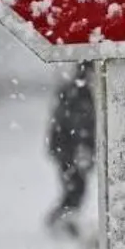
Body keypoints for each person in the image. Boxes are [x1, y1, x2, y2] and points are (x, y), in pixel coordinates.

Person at [46, 62, 97, 235]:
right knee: (75, 188)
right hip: (69, 149)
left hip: (68, 149)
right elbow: (79, 124)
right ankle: (61, 222)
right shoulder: (79, 93)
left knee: (75, 188)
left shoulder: (77, 91)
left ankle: (63, 221)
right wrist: (83, 146)